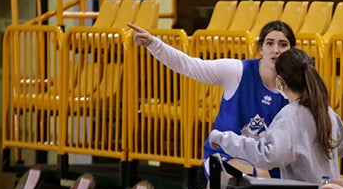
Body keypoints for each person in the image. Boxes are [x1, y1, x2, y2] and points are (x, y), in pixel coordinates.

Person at [126, 18, 296, 177]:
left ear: (291, 51)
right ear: (260, 48)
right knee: (249, 185)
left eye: (283, 45)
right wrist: (153, 44)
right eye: (269, 43)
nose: (276, 50)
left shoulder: (295, 87)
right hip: (224, 155)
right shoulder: (236, 71)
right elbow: (189, 66)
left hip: (266, 161)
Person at [208, 48, 343, 183]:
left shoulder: (290, 116)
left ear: (280, 81)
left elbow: (266, 156)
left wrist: (222, 138)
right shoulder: (326, 111)